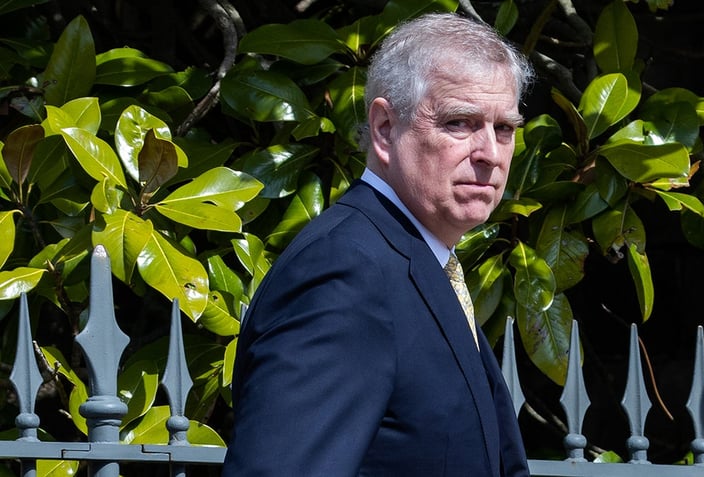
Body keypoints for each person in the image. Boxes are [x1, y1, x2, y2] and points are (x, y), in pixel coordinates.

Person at [222, 12, 534, 476]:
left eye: (504, 128)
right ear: (385, 128)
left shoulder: (413, 258)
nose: (490, 153)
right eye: (460, 123)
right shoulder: (345, 272)